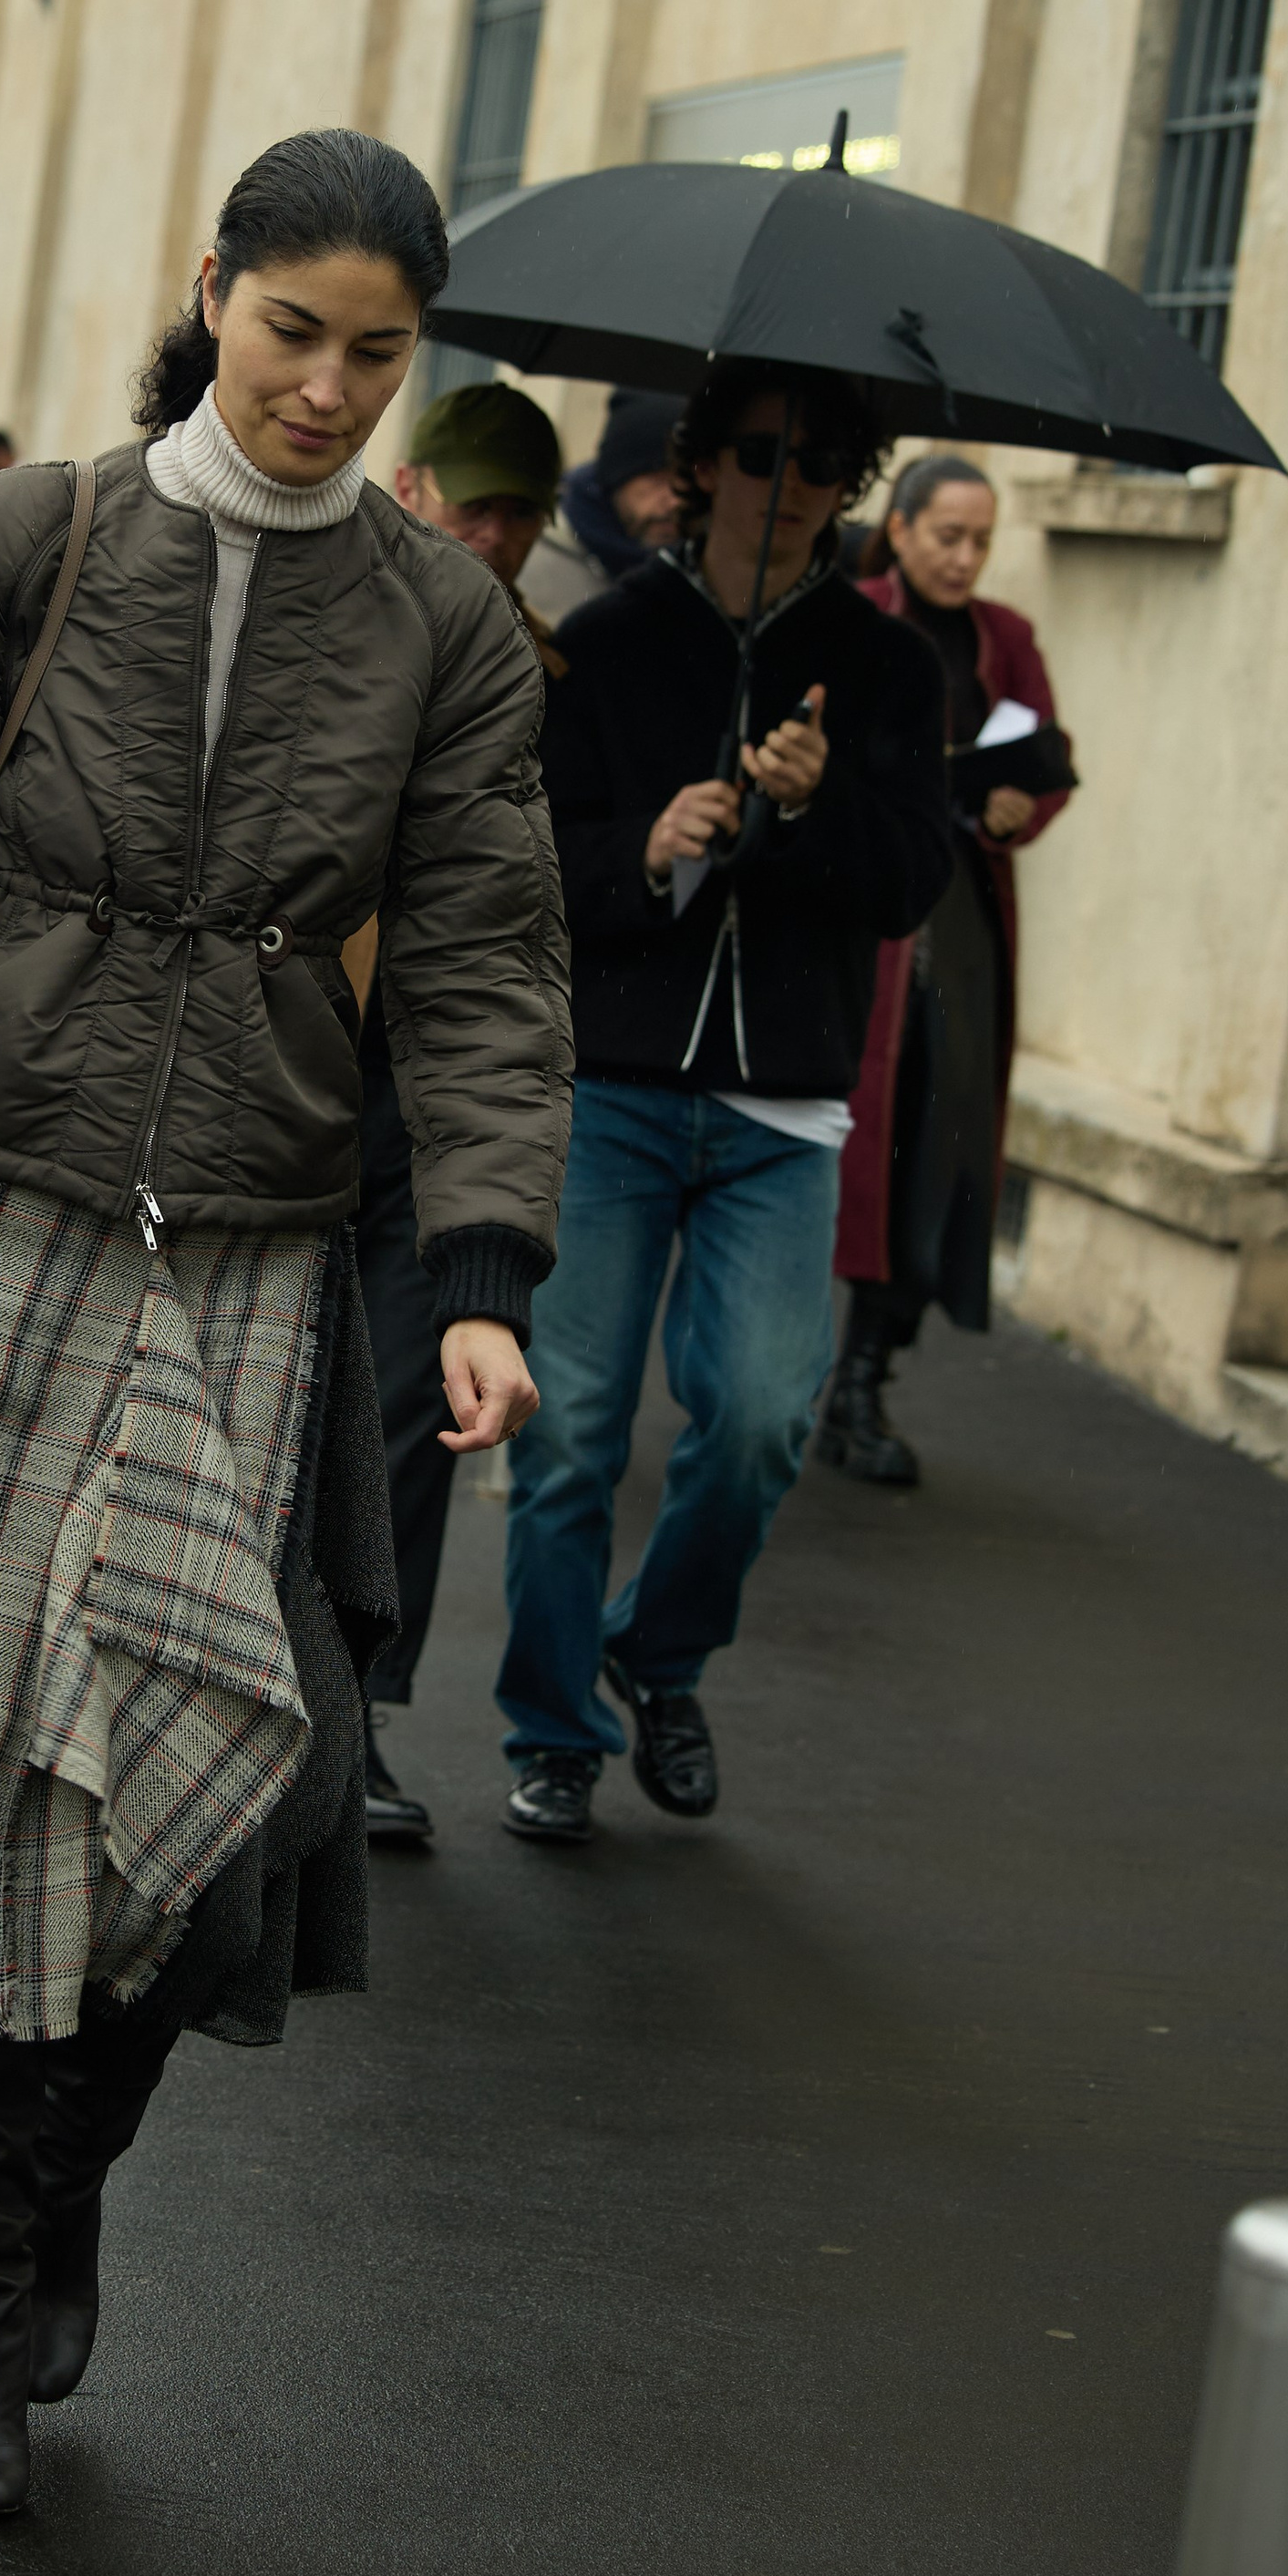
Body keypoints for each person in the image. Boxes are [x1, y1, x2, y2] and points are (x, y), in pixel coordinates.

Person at [0, 130, 569, 2519]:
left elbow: (488, 955)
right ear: (215, 296)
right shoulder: (33, 536)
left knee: (222, 1794)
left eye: (379, 357)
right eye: (293, 332)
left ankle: (54, 2179)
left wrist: (483, 1266)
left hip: (262, 1254)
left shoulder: (447, 628)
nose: (326, 391)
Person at [498, 360, 953, 1847]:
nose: (793, 482)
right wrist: (649, 845)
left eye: (825, 460)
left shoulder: (888, 671)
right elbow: (532, 876)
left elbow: (908, 889)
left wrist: (815, 807)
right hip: (618, 1085)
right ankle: (554, 1721)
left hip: (781, 1104)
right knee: (568, 1427)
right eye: (763, 453)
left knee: (759, 1418)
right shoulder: (610, 645)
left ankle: (659, 1654)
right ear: (701, 465)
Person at [355, 378, 568, 1843]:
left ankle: (353, 1716)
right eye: (474, 502)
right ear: (418, 486)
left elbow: (526, 923)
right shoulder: (341, 604)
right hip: (282, 1066)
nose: (495, 534)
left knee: (412, 1404)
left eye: (522, 515)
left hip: (431, 1095)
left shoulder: (550, 671)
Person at [818, 456, 1073, 1483]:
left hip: (960, 922)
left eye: (981, 539)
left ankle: (865, 1380)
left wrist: (1020, 807)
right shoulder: (855, 615)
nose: (964, 558)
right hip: (864, 919)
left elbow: (1049, 759)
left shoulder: (1004, 639)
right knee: (846, 1143)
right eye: (947, 536)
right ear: (904, 528)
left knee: (938, 1143)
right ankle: (777, 1367)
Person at [518, 384, 681, 623]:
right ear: (616, 477)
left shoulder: (688, 570)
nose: (675, 500)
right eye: (658, 481)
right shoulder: (532, 554)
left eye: (684, 481)